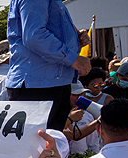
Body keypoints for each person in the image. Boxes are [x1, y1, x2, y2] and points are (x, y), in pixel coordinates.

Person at [6, 0, 91, 131]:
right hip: (39, 86)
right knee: (39, 145)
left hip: (46, 84)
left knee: (48, 144)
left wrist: (75, 38)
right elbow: (34, 36)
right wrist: (73, 59)